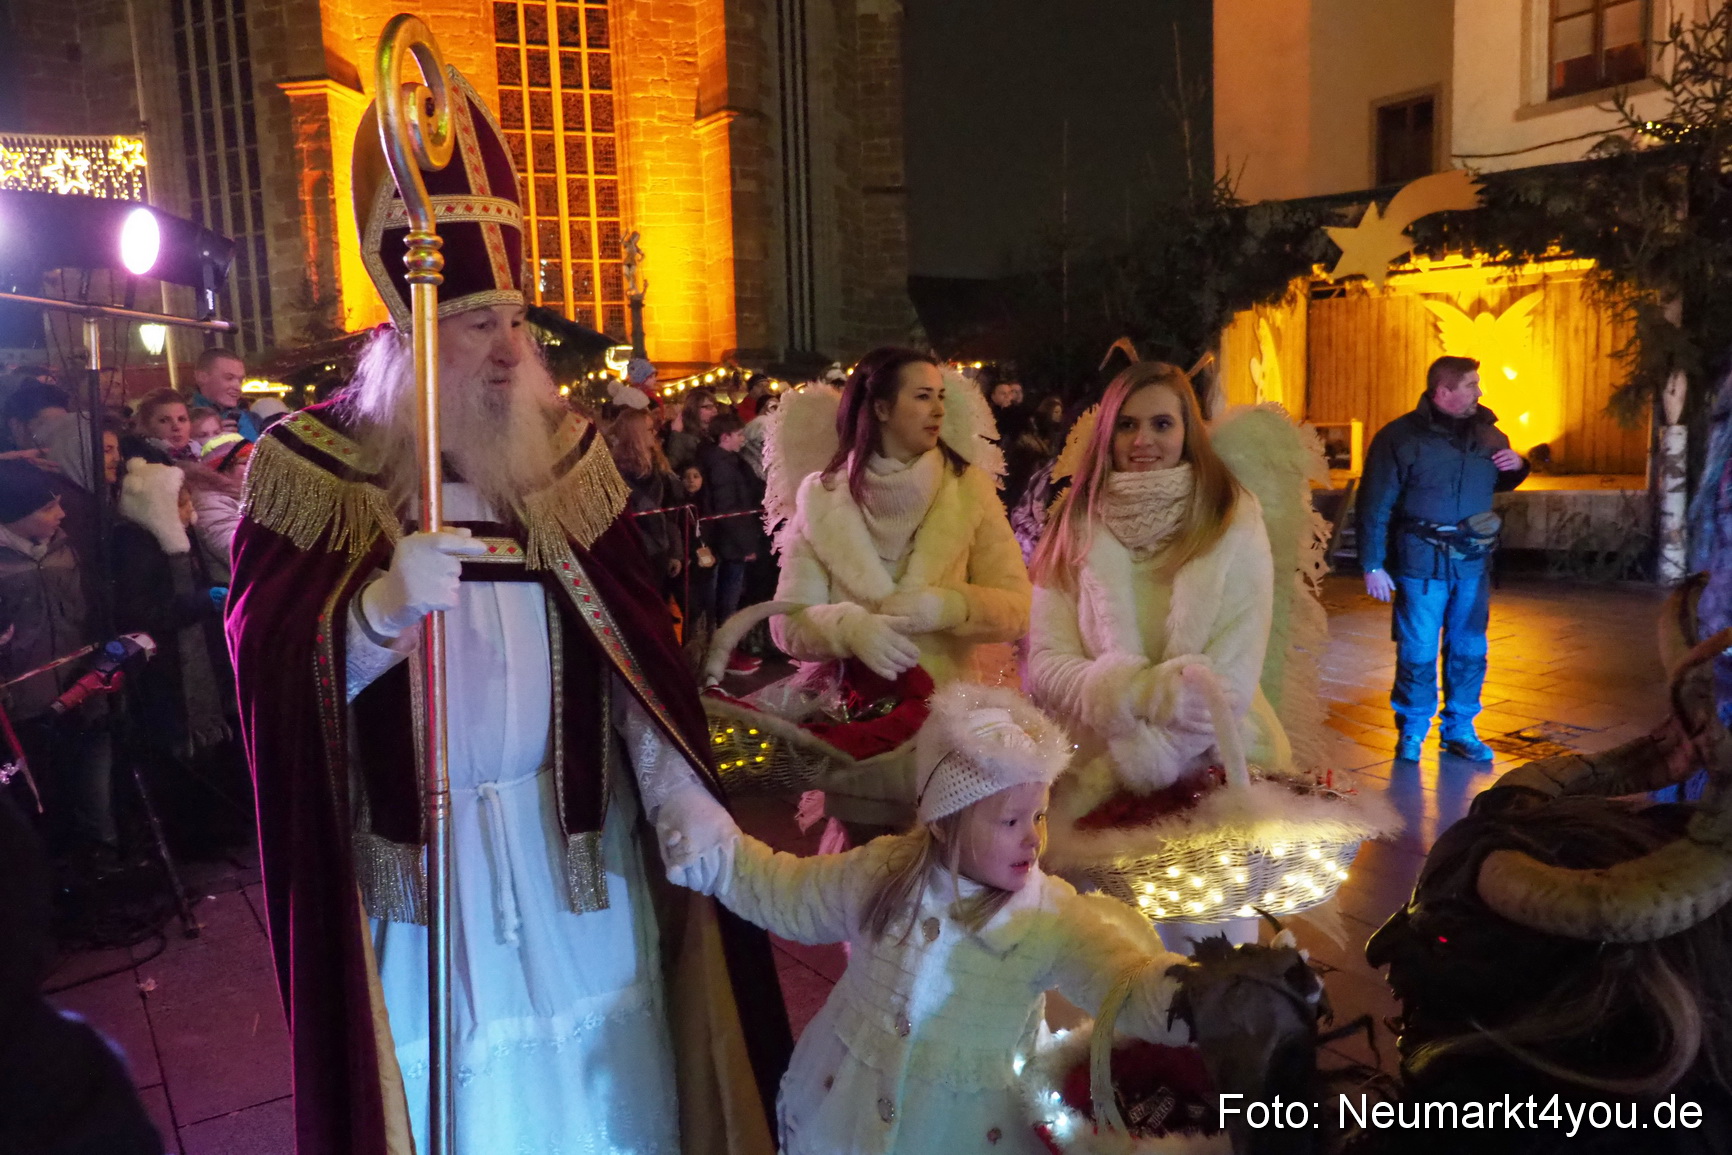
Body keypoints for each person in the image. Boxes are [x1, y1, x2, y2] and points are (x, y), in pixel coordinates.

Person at [224, 64, 788, 1155]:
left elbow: (635, 660)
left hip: (567, 843)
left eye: (514, 318)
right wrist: (375, 615)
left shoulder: (563, 463)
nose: (504, 347)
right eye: (472, 317)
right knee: (458, 1101)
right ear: (405, 326)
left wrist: (684, 798)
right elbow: (264, 662)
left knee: (609, 1083)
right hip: (425, 870)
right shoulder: (313, 469)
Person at [651, 681, 1193, 1155]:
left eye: (1039, 815)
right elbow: (786, 894)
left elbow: (1120, 979)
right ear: (942, 823)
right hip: (847, 1111)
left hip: (970, 1132)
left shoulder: (1050, 917)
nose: (1035, 837)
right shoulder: (883, 872)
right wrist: (714, 849)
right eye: (1010, 820)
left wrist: (1197, 997)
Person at [1025, 362, 1291, 950]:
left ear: (1187, 432)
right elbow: (1044, 662)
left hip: (1210, 762)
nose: (1144, 441)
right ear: (1107, 436)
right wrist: (1138, 697)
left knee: (1204, 956)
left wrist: (1152, 757)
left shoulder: (1231, 517)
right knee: (1104, 959)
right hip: (1094, 767)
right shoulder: (1074, 522)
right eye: (1128, 425)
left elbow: (1236, 665)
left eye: (1162, 423)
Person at [1357, 355, 1529, 763]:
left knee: (1470, 647)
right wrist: (1372, 564)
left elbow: (1501, 479)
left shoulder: (1489, 436)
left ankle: (1460, 729)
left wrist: (1521, 465)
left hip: (1471, 562)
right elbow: (1374, 503)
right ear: (1443, 392)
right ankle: (1413, 729)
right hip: (1420, 564)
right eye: (1471, 385)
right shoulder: (1399, 438)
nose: (1480, 392)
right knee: (1417, 648)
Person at [112, 459, 239, 856]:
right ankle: (194, 840)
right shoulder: (138, 548)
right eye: (183, 505)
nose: (192, 514)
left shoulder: (179, 545)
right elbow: (143, 612)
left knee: (204, 754)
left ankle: (215, 832)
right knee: (177, 756)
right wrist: (202, 601)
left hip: (194, 663)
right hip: (166, 671)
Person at [0, 460, 115, 856]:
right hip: (22, 706)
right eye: (48, 508)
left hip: (78, 689)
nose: (61, 514)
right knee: (40, 796)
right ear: (15, 514)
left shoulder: (68, 548)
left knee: (87, 781)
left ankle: (99, 857)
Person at [697, 411, 767, 667]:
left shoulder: (726, 462)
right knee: (728, 602)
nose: (742, 440)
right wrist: (744, 545)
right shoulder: (722, 466)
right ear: (725, 436)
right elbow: (728, 510)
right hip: (730, 546)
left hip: (728, 543)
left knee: (726, 600)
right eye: (738, 435)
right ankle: (725, 654)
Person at [185, 348, 265, 441]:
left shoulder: (253, 420)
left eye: (240, 380)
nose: (238, 387)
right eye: (229, 378)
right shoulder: (182, 420)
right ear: (202, 377)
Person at [131, 389, 195, 463]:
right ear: (146, 425)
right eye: (164, 421)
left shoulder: (199, 452)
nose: (176, 427)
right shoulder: (143, 461)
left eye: (182, 419)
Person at [664, 386, 718, 473]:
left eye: (715, 406)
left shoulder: (712, 433)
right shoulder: (684, 437)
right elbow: (671, 465)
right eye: (708, 407)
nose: (715, 410)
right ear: (694, 409)